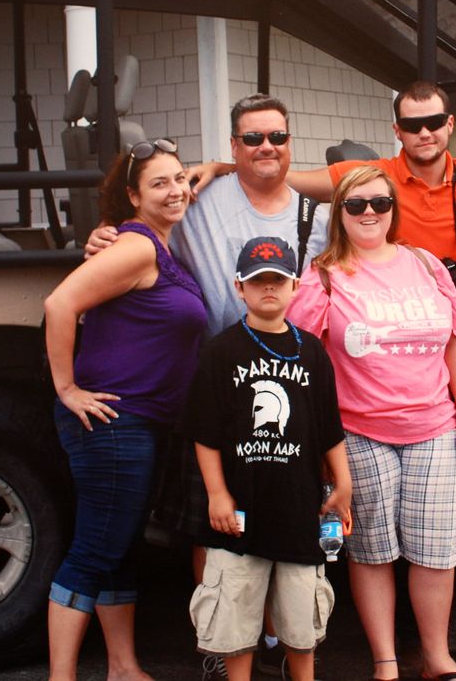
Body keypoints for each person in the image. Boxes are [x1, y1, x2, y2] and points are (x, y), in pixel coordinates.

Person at [191, 80, 456, 667]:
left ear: (450, 126)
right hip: (400, 406)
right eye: (412, 125)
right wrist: (220, 164)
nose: (424, 133)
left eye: (434, 122)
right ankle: (385, 654)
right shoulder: (364, 192)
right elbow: (284, 178)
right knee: (388, 542)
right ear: (397, 131)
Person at [86, 94, 328, 677]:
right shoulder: (198, 198)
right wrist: (106, 236)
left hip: (289, 385)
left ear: (290, 142)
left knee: (282, 517)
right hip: (219, 382)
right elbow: (150, 213)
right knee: (212, 523)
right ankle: (218, 646)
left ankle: (271, 638)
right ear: (233, 146)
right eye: (251, 139)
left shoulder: (314, 220)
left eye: (276, 136)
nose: (265, 147)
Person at [287, 166, 456, 681]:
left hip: (435, 427)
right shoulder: (324, 275)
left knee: (436, 550)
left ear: (394, 209)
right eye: (355, 205)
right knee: (372, 549)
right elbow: (299, 359)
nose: (369, 212)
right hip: (360, 431)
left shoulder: (425, 265)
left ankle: (437, 659)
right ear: (339, 214)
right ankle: (386, 662)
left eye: (379, 202)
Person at [43, 138, 206, 681]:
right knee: (95, 549)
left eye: (180, 178)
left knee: (119, 545)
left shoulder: (156, 244)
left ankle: (122, 667)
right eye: (159, 183)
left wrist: (220, 165)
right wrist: (67, 388)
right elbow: (59, 303)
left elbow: (204, 176)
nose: (176, 190)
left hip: (142, 423)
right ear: (133, 196)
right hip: (115, 422)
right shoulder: (136, 247)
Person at [184, 236, 351, 681]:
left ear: (296, 286)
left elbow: (329, 428)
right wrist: (217, 494)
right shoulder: (221, 352)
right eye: (258, 282)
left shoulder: (312, 352)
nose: (268, 289)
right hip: (237, 512)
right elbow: (205, 434)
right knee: (235, 622)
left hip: (299, 510)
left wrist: (344, 485)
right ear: (240, 288)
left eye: (278, 280)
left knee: (302, 625)